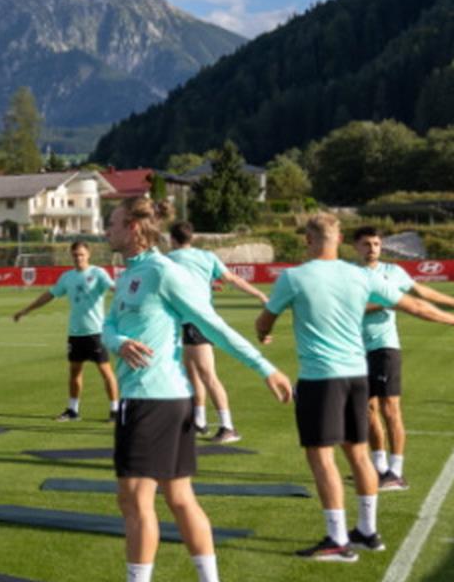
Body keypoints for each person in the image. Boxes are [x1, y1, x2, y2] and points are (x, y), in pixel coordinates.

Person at [87, 196, 291, 582]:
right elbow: (107, 326)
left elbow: (212, 323)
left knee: (136, 499)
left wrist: (264, 367)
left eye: (112, 223)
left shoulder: (163, 273)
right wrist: (117, 341)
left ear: (135, 227)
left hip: (152, 401)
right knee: (177, 498)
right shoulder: (129, 276)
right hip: (157, 400)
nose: (106, 231)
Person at [256, 214, 454, 561]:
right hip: (356, 375)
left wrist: (263, 332)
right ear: (340, 238)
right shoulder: (361, 274)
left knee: (321, 457)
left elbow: (264, 321)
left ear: (307, 240)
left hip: (320, 378)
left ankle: (337, 539)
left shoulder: (293, 277)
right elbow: (416, 305)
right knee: (359, 453)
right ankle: (367, 531)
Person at [351, 226, 454, 491]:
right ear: (356, 247)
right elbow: (350, 309)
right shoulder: (349, 275)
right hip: (355, 349)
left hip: (385, 347)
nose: (372, 248)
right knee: (368, 409)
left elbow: (422, 293)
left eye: (376, 243)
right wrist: (389, 302)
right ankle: (380, 467)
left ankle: (396, 471)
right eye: (366, 244)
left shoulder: (393, 272)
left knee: (390, 408)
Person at [168, 222, 268, 443]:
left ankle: (228, 426)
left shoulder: (170, 260)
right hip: (192, 321)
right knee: (193, 372)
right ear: (191, 238)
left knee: (207, 374)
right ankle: (199, 421)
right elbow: (232, 279)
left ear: (172, 240)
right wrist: (259, 294)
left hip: (195, 320)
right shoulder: (206, 256)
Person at [12, 240, 121, 421]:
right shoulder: (67, 277)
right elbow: (49, 295)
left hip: (95, 333)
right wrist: (26, 310)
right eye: (75, 255)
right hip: (75, 333)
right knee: (74, 372)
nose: (78, 258)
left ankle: (115, 410)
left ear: (88, 254)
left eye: (81, 254)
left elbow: (112, 287)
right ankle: (72, 410)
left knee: (106, 372)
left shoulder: (97, 273)